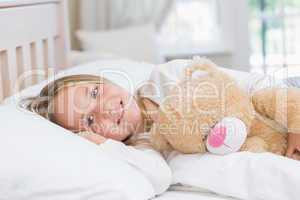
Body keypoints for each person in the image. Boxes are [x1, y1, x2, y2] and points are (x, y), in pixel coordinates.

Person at [22, 58, 300, 192]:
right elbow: (158, 176)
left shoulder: (168, 76)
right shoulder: (145, 148)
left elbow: (256, 85)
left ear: (104, 80)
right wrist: (102, 143)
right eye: (90, 120)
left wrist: (294, 123)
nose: (106, 109)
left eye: (95, 93)